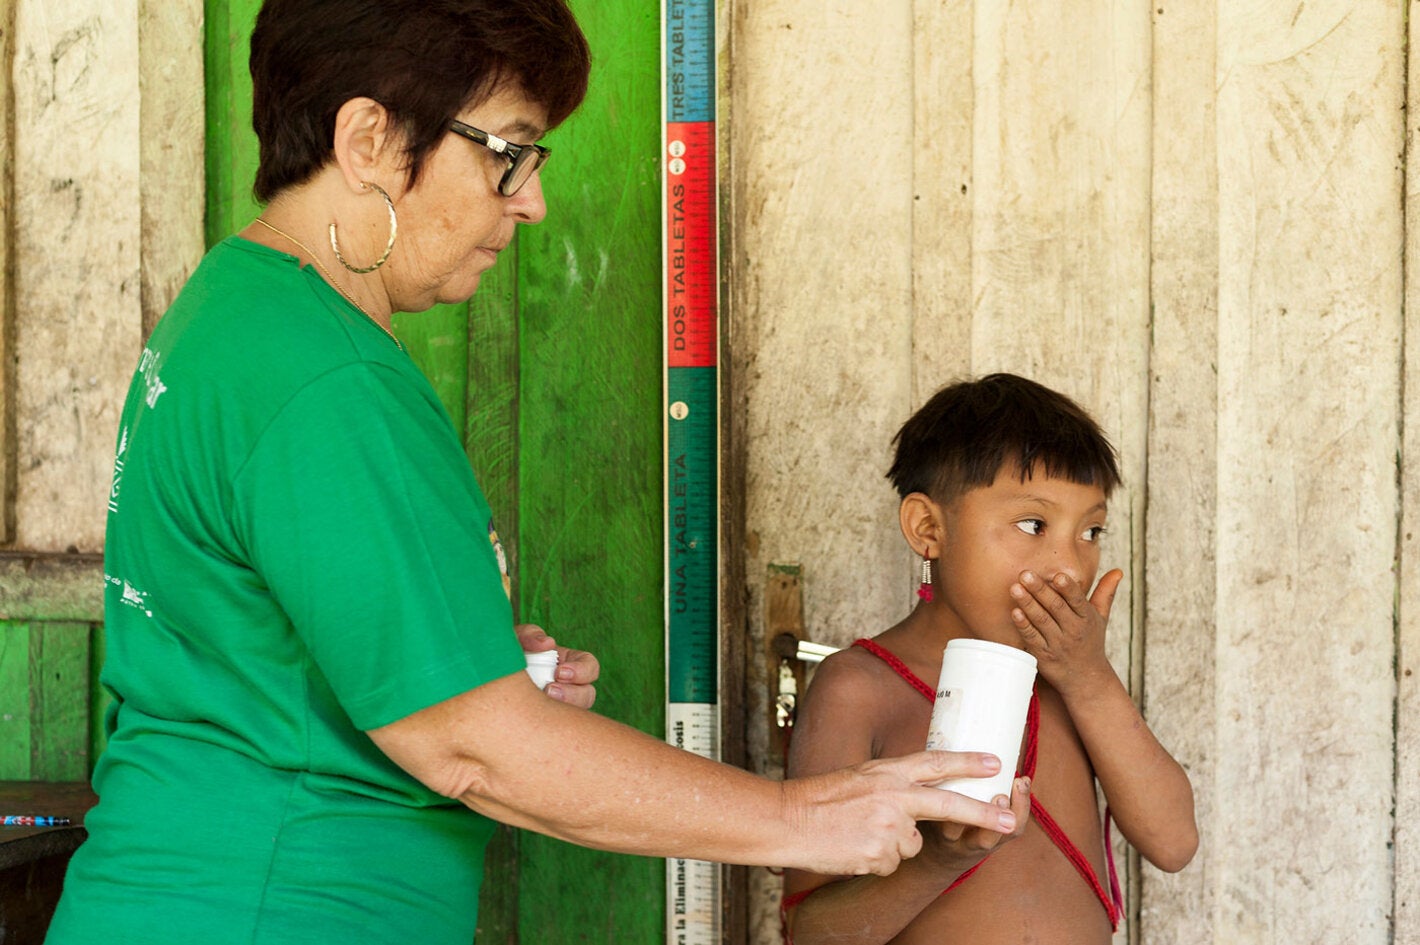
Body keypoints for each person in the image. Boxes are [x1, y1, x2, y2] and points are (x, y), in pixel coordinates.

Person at [43, 3, 1022, 943]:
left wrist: (464, 656)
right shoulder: (327, 378)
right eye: (506, 153)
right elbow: (471, 747)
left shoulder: (233, 311)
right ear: (368, 139)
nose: (532, 199)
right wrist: (801, 818)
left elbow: (259, 645)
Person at [781, 373, 1198, 945]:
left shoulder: (1073, 684)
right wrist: (938, 862)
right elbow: (815, 933)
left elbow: (1173, 843)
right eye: (1034, 524)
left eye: (1091, 530)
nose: (1070, 568)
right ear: (929, 529)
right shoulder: (860, 689)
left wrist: (1090, 680)